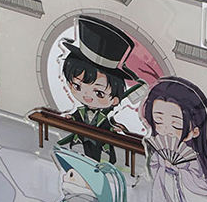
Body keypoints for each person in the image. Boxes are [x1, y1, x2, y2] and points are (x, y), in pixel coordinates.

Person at [58, 15, 145, 163]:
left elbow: (108, 127)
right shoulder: (81, 112)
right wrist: (70, 119)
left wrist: (116, 129)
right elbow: (75, 118)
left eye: (99, 93)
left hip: (101, 144)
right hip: (82, 142)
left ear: (115, 100)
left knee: (101, 156)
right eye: (77, 86)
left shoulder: (104, 117)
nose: (87, 96)